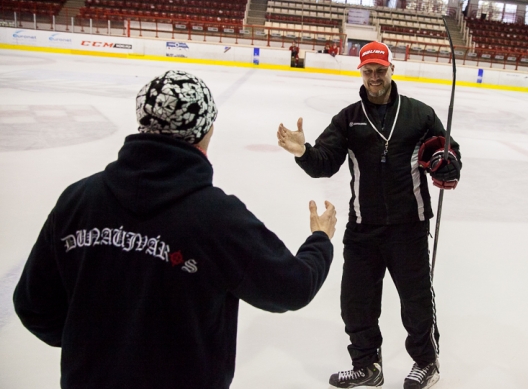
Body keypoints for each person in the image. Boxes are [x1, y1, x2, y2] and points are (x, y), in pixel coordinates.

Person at [14, 70, 337, 389]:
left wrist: (96, 348)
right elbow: (292, 287)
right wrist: (320, 240)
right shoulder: (217, 219)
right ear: (207, 128)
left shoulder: (79, 200)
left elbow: (34, 306)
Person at [277, 41, 461, 389]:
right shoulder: (349, 119)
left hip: (410, 226)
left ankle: (426, 362)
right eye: (368, 71)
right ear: (360, 72)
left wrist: (447, 165)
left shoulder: (418, 114)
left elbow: (447, 152)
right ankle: (366, 364)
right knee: (355, 301)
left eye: (380, 70)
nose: (374, 77)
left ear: (391, 70)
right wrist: (302, 150)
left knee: (416, 300)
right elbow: (324, 163)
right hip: (363, 227)